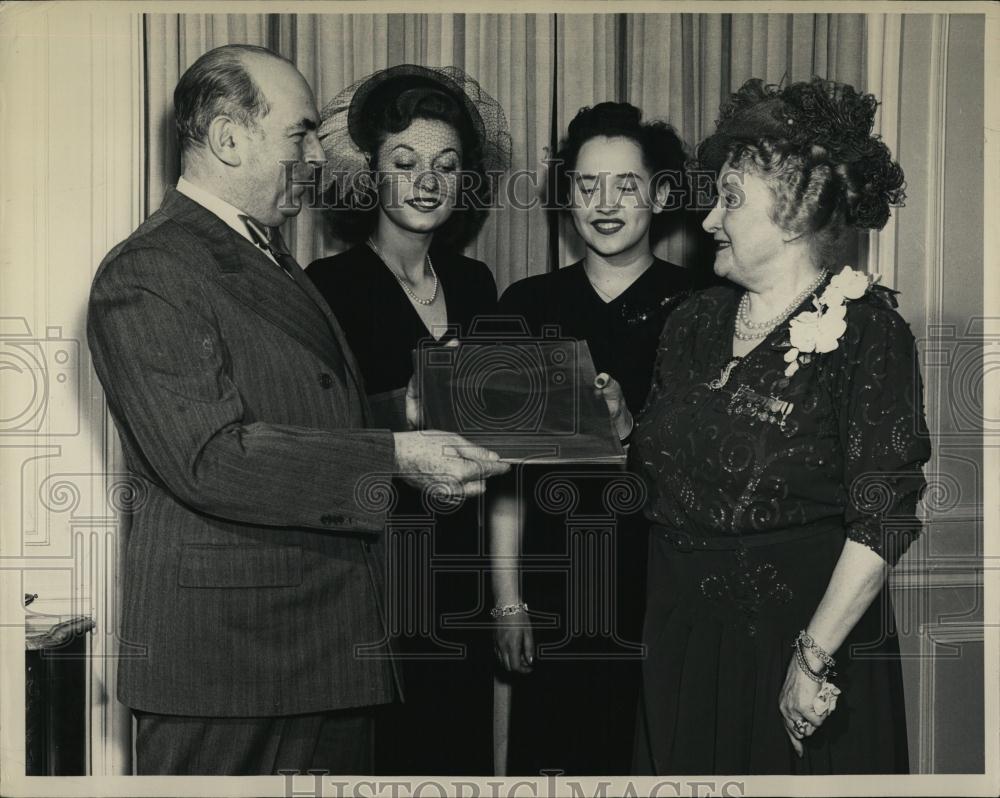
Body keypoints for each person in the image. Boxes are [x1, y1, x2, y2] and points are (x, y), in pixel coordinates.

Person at [86, 44, 508, 776]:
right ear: (227, 137)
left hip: (312, 649)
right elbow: (209, 457)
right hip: (232, 666)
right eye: (300, 134)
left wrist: (402, 409)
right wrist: (399, 456)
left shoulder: (260, 251)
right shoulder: (150, 271)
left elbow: (302, 414)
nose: (317, 155)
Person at [632, 77, 931, 774]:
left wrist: (812, 657)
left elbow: (883, 515)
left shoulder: (869, 333)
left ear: (794, 214)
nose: (708, 220)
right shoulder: (692, 323)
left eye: (731, 199)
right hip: (680, 639)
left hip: (797, 650)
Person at [306, 64, 511, 775]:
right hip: (366, 575)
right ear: (369, 175)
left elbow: (496, 426)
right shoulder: (326, 288)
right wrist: (404, 414)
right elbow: (311, 438)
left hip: (458, 567)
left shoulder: (476, 283)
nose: (428, 181)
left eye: (446, 166)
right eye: (406, 162)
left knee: (457, 758)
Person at [491, 102, 705, 775]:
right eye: (587, 186)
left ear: (662, 194)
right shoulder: (526, 305)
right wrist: (507, 598)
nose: (604, 204)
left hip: (667, 592)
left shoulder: (704, 307)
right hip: (555, 589)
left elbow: (715, 476)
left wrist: (625, 433)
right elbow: (504, 471)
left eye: (626, 185)